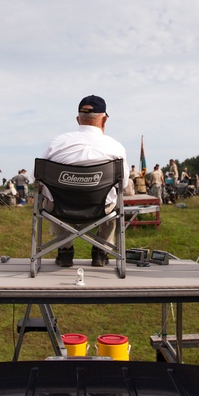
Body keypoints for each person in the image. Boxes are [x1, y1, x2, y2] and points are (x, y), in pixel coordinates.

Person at [42, 95, 128, 267]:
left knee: (51, 197)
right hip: (100, 210)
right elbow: (123, 184)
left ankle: (65, 251)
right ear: (104, 120)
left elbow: (37, 179)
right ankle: (100, 251)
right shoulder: (115, 147)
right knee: (115, 200)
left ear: (78, 119)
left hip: (61, 210)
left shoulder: (57, 143)